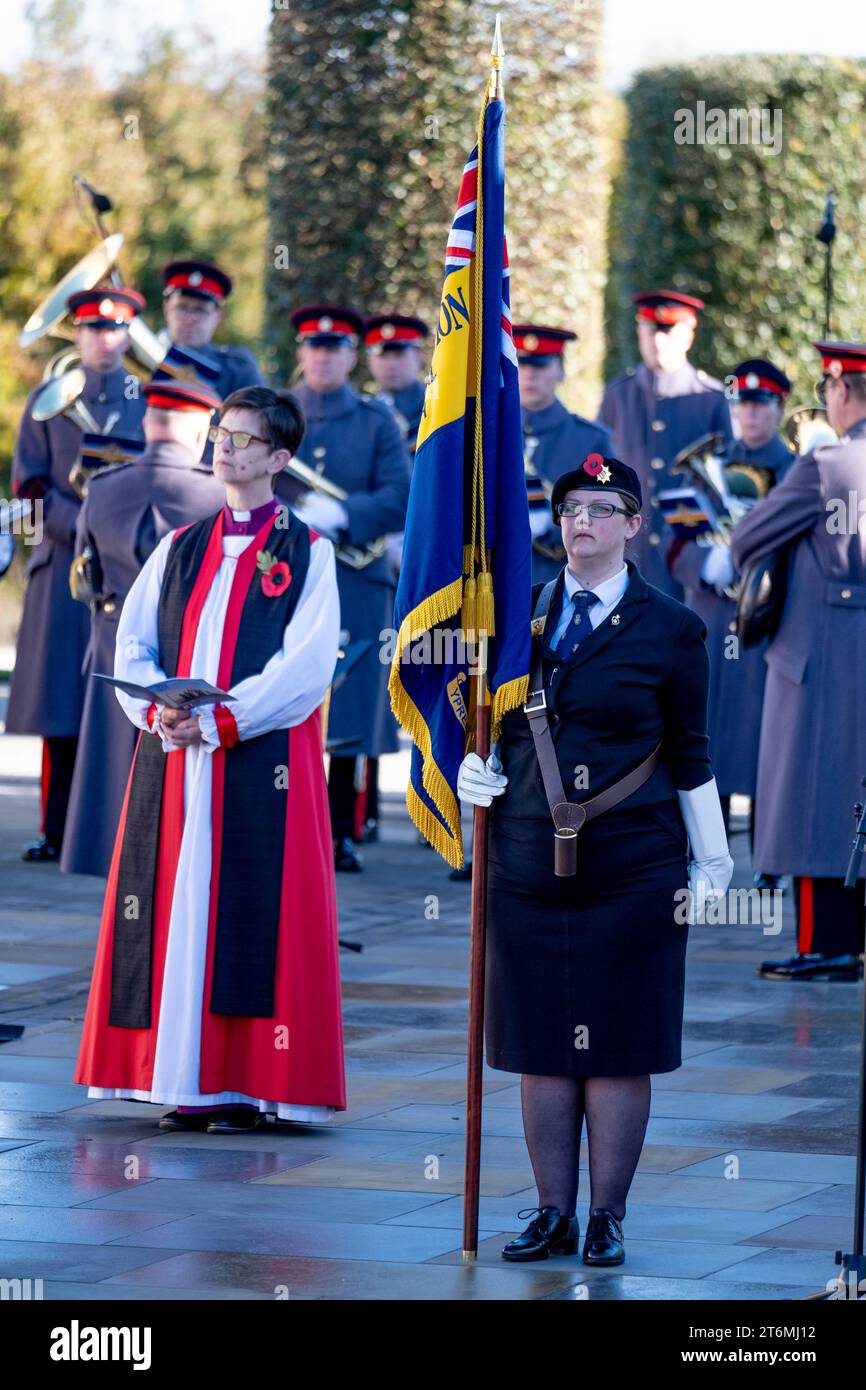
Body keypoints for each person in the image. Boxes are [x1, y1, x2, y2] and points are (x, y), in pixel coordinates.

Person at [458, 454, 732, 1265]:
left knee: (619, 1043)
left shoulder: (672, 627)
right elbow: (488, 721)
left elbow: (690, 751)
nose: (582, 521)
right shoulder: (517, 618)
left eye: (602, 509)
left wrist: (714, 863)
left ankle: (607, 1214)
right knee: (539, 1042)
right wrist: (474, 767)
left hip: (634, 863)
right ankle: (552, 1212)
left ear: (634, 525)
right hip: (526, 856)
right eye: (571, 508)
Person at [73, 385, 346, 1132]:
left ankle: (253, 1086)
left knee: (251, 915)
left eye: (243, 438)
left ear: (280, 459)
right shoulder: (179, 547)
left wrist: (223, 719)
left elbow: (306, 667)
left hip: (260, 761)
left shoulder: (308, 551)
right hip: (175, 760)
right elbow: (133, 642)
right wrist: (156, 709)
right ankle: (181, 1079)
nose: (224, 446)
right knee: (172, 906)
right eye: (221, 433)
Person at [731, 340, 866, 982]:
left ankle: (827, 944)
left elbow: (749, 535)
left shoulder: (828, 465)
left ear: (839, 390)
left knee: (816, 801)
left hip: (823, 656)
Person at [61, 379, 226, 879]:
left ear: (149, 425)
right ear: (199, 432)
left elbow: (84, 576)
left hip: (113, 640)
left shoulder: (102, 487)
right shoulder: (217, 493)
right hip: (191, 648)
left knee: (109, 771)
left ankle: (104, 857)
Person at [5, 286, 147, 862]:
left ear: (128, 335)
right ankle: (56, 828)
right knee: (61, 701)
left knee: (123, 699)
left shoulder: (147, 398)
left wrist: (115, 524)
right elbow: (27, 489)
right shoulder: (47, 400)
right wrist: (83, 520)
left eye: (114, 329)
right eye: (92, 328)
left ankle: (121, 826)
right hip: (63, 562)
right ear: (78, 334)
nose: (103, 339)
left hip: (128, 563)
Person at [281, 304, 411, 870]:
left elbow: (402, 496)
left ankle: (339, 831)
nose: (323, 357)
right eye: (314, 346)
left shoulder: (376, 420)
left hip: (356, 575)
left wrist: (344, 514)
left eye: (334, 348)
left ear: (351, 356)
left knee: (352, 702)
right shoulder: (278, 413)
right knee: (284, 689)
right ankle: (283, 820)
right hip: (285, 573)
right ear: (302, 352)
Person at [668, 359, 794, 890]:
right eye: (742, 404)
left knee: (767, 746)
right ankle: (706, 857)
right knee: (705, 740)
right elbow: (675, 540)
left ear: (779, 408)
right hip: (711, 620)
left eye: (760, 405)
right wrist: (706, 563)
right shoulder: (707, 466)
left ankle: (770, 860)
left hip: (767, 624)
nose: (749, 414)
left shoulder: (795, 470)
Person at [598, 290, 733, 596]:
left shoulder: (711, 399)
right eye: (650, 330)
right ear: (639, 332)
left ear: (689, 334)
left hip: (688, 568)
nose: (658, 341)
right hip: (626, 561)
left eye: (668, 331)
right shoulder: (618, 396)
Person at [514, 323, 613, 584]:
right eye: (522, 365)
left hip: (562, 581)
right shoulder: (487, 435)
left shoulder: (591, 440)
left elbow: (609, 516)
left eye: (540, 366)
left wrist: (553, 527)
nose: (529, 375)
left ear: (561, 371)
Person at [364, 313, 429, 452]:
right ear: (369, 360)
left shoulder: (437, 407)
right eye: (382, 355)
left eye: (399, 355)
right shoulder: (363, 414)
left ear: (418, 356)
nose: (391, 364)